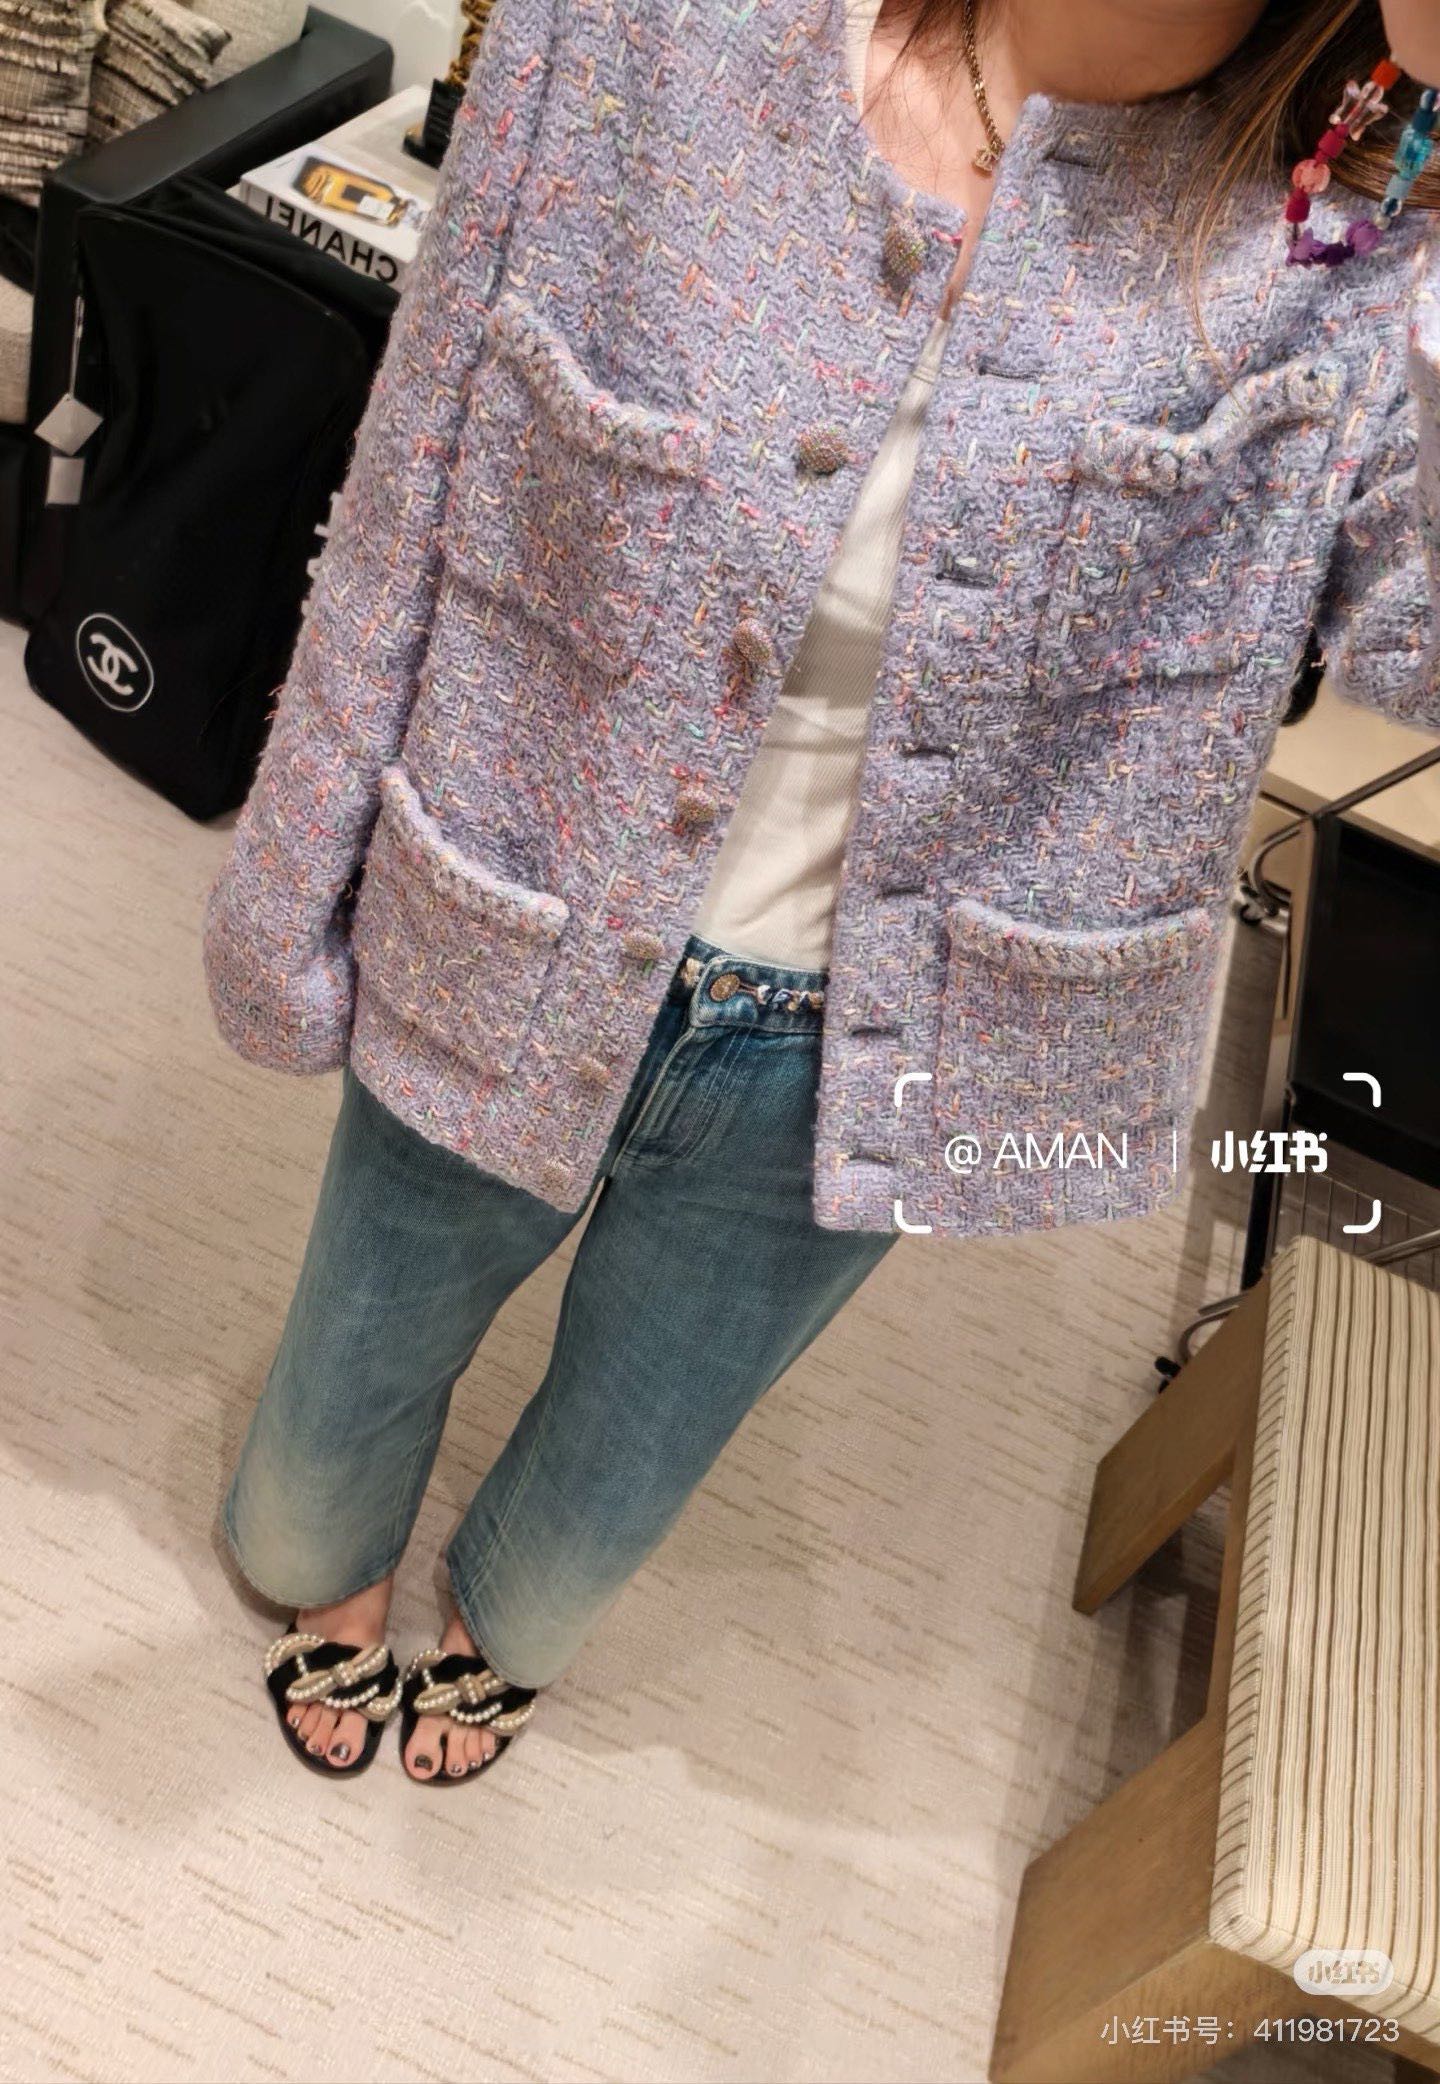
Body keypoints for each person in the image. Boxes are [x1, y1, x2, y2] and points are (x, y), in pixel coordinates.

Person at [203, 0, 1440, 1782]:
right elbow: (417, 474)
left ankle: (495, 1626)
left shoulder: (1349, 253)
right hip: (512, 903)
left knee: (618, 1474)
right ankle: (332, 1573)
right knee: (315, 1467)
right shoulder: (646, 33)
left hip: (882, 1044)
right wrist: (294, 873)